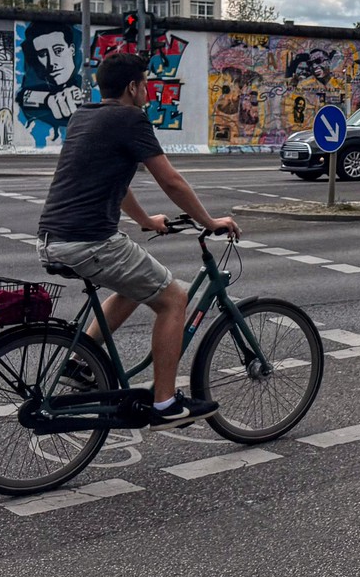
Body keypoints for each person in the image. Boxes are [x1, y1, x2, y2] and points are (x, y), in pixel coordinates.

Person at [36, 51, 241, 430]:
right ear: (133, 87)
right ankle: (165, 403)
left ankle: (80, 363)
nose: (148, 90)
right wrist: (210, 222)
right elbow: (171, 180)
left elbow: (116, 179)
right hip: (88, 241)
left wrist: (146, 221)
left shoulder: (84, 115)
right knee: (174, 298)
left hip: (52, 238)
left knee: (133, 285)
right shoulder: (130, 118)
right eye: (146, 84)